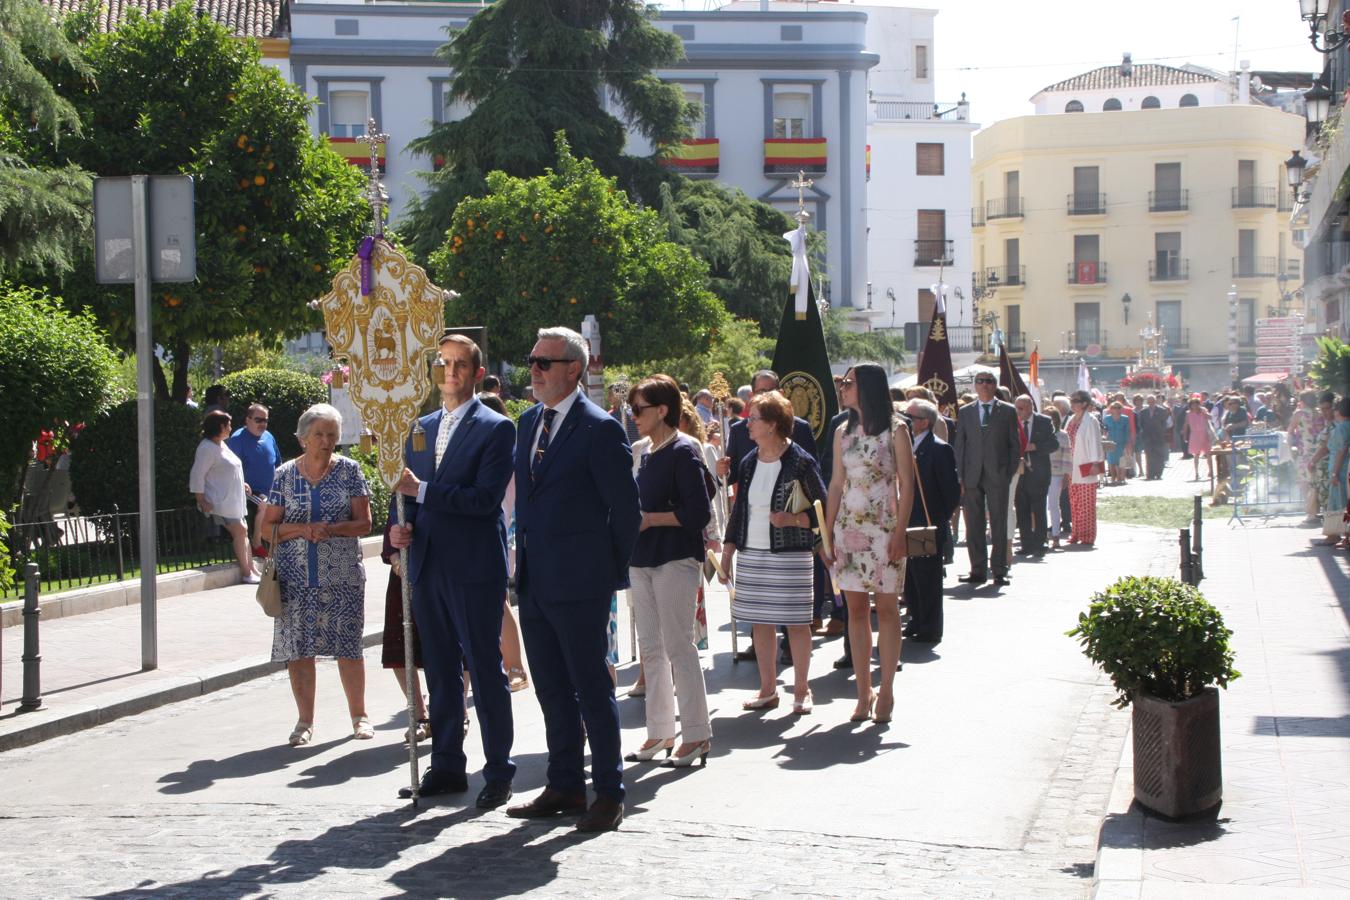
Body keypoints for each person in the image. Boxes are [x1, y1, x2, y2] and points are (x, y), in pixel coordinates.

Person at [506, 326, 640, 833]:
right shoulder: (526, 424)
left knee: (591, 688)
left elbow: (625, 511)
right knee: (551, 688)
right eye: (532, 360)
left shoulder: (599, 427)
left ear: (573, 369)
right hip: (537, 581)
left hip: (582, 583)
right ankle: (564, 783)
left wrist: (606, 574)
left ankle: (609, 791)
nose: (534, 370)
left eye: (544, 362)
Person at [390, 333, 517, 808]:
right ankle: (445, 765)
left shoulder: (495, 428)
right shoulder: (418, 426)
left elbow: (484, 500)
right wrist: (396, 535)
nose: (450, 372)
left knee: (484, 669)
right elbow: (399, 490)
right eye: (443, 363)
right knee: (439, 671)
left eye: (460, 364)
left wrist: (422, 492)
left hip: (472, 565)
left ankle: (499, 771)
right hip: (425, 562)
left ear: (476, 372)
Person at [258, 404, 373, 746]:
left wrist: (333, 528)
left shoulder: (350, 471)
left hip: (342, 574)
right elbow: (267, 528)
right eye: (319, 435)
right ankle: (304, 721)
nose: (326, 441)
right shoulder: (285, 475)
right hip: (295, 577)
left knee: (348, 646)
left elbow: (364, 522)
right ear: (303, 438)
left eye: (332, 435)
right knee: (299, 649)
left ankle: (360, 716)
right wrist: (303, 529)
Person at [624, 375, 714, 768]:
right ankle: (659, 731)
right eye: (631, 409)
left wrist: (650, 519)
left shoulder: (683, 450)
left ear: (662, 410)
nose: (633, 416)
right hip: (641, 558)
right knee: (651, 648)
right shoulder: (640, 449)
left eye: (639, 409)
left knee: (679, 646)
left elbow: (699, 512)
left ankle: (696, 734)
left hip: (676, 557)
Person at [720, 389, 827, 715]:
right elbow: (739, 511)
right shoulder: (749, 461)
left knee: (796, 623)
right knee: (759, 623)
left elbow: (823, 509)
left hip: (791, 554)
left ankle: (802, 688)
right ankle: (768, 690)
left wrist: (793, 519)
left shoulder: (800, 461)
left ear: (772, 424)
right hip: (752, 553)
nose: (747, 424)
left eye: (753, 419)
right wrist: (727, 555)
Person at [826, 364, 915, 722]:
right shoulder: (841, 431)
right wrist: (826, 533)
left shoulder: (897, 430)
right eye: (842, 383)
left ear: (867, 388)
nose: (843, 388)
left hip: (884, 529)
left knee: (888, 610)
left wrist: (900, 533)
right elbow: (835, 484)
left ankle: (887, 690)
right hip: (848, 529)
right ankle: (863, 693)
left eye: (848, 383)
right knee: (856, 611)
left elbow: (906, 485)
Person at [953, 372, 1021, 586]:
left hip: (997, 474)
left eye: (989, 381)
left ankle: (999, 569)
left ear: (995, 385)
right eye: (980, 381)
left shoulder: (1008, 411)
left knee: (999, 521)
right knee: (973, 524)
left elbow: (1014, 444)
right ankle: (978, 569)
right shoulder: (965, 412)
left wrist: (1007, 472)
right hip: (972, 475)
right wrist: (960, 475)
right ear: (975, 386)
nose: (984, 385)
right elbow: (960, 445)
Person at [902, 398, 959, 643]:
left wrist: (938, 520)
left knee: (928, 578)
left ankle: (930, 626)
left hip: (926, 522)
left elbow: (951, 492)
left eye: (910, 417)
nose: (906, 421)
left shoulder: (939, 448)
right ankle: (916, 619)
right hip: (906, 521)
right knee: (910, 578)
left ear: (924, 422)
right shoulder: (907, 446)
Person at [189, 410, 257, 583]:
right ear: (220, 426)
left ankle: (251, 569)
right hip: (220, 500)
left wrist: (242, 483)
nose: (230, 428)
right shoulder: (206, 448)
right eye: (228, 425)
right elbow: (197, 475)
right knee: (240, 530)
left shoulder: (220, 444)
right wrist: (201, 500)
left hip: (232, 499)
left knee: (243, 530)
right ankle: (246, 572)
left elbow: (230, 466)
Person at [379, 523, 429, 745]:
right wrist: (395, 558)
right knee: (400, 644)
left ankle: (456, 714)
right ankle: (419, 714)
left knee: (452, 646)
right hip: (405, 567)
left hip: (444, 560)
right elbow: (395, 512)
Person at [227, 403, 282, 554]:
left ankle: (279, 544)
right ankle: (256, 544)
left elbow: (278, 463)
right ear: (248, 420)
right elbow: (230, 468)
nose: (262, 424)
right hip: (249, 490)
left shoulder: (269, 436)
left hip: (271, 488)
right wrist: (242, 483)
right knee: (264, 504)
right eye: (258, 420)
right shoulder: (238, 439)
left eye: (265, 420)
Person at [1012, 394, 1058, 557]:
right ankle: (1026, 544)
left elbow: (1053, 444)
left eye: (1021, 408)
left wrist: (1035, 446)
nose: (1018, 411)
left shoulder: (1044, 421)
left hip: (1038, 473)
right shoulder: (1012, 421)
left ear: (1031, 407)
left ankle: (1040, 543)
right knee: (1022, 509)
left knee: (1038, 509)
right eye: (1016, 408)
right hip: (1019, 472)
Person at [1066, 391, 1105, 547]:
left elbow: (1095, 442)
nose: (1072, 403)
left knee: (1086, 502)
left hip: (1086, 465)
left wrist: (1096, 463)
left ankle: (1088, 535)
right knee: (1074, 501)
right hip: (1071, 465)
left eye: (1075, 401)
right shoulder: (1070, 419)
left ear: (1084, 403)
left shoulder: (1091, 420)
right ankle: (1076, 532)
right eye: (1072, 400)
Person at [1293, 391, 1333, 522]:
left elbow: (1289, 433)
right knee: (1319, 483)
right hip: (1322, 451)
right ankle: (1320, 511)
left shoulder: (1299, 414)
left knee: (1307, 482)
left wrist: (1291, 449)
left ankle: (1311, 513)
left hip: (1306, 452)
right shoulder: (1322, 412)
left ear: (1302, 401)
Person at [1324, 397, 1350, 548]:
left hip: (1340, 470)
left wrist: (1334, 473)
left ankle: (1344, 536)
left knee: (1341, 503)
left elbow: (1341, 450)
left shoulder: (1341, 428)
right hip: (1346, 468)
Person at [1045, 406, 1072, 550]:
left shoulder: (1062, 435)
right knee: (1042, 505)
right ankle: (1042, 534)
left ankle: (1056, 534)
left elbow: (1067, 456)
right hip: (1040, 473)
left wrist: (1067, 474)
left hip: (1056, 473)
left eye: (1050, 417)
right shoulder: (1039, 434)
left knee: (1054, 505)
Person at [1136, 394, 1172, 480]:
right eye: (1149, 402)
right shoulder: (1143, 412)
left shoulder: (1162, 411)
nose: (1150, 403)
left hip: (1159, 437)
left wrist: (1161, 431)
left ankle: (1158, 473)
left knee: (1159, 455)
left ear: (1155, 401)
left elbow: (1165, 423)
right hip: (1147, 437)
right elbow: (1140, 424)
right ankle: (1150, 474)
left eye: (1152, 401)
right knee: (1149, 456)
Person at [1182, 396, 1215, 481]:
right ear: (1190, 405)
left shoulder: (1203, 410)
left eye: (1196, 404)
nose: (1195, 406)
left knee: (1208, 454)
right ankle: (1196, 473)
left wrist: (1204, 413)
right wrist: (1185, 435)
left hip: (1204, 433)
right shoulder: (1188, 413)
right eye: (1193, 404)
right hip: (1195, 435)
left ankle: (1211, 471)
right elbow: (1186, 424)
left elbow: (1211, 417)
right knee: (1196, 454)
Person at [1102, 402, 1132, 484]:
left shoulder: (1125, 418)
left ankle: (1122, 477)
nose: (1116, 409)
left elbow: (1127, 431)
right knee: (1111, 460)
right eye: (1114, 407)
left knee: (1124, 459)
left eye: (1118, 407)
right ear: (1111, 409)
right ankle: (1113, 477)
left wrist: (1128, 442)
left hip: (1122, 441)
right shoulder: (1107, 418)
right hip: (1110, 441)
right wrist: (1104, 438)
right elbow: (1105, 430)